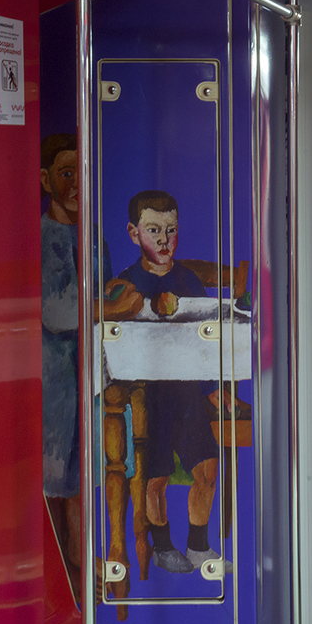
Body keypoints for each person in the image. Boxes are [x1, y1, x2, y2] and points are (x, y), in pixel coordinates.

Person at [40, 134, 142, 577]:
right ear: (47, 181)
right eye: (66, 173)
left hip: (90, 374)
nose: (75, 183)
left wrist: (113, 292)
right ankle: (65, 568)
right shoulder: (45, 236)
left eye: (80, 172)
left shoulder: (92, 233)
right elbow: (59, 311)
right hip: (56, 380)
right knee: (57, 477)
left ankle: (81, 561)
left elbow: (96, 291)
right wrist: (111, 307)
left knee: (84, 472)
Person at [114, 189, 221, 574]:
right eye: (153, 230)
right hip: (146, 398)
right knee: (153, 479)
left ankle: (198, 545)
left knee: (207, 469)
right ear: (134, 233)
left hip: (187, 393)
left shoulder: (189, 281)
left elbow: (207, 340)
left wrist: (214, 391)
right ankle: (162, 546)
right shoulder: (124, 285)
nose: (163, 239)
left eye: (170, 230)